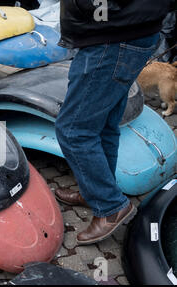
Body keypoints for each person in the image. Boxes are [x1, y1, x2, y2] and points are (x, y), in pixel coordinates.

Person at [54, 0, 171, 245]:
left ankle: (110, 206)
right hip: (127, 32)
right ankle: (95, 193)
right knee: (104, 124)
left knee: (74, 131)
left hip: (111, 37)